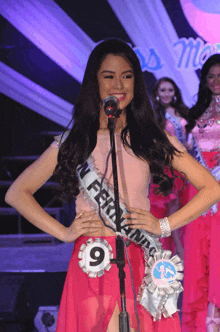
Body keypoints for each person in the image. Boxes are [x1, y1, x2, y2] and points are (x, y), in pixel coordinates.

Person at [5, 39, 220, 332]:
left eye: (127, 76)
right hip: (92, 261)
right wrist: (64, 233)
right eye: (109, 76)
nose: (119, 84)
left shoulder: (151, 138)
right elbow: (17, 193)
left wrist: (164, 226)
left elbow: (212, 188)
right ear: (95, 82)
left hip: (140, 257)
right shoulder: (76, 141)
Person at [182, 54, 220, 332]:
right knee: (199, 261)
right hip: (199, 191)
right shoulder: (196, 112)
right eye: (211, 76)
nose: (216, 81)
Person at [150, 77, 189, 259]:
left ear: (175, 93)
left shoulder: (182, 112)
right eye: (163, 90)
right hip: (166, 168)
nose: (166, 94)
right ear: (157, 93)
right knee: (169, 212)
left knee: (183, 210)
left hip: (185, 166)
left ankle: (181, 252)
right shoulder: (154, 115)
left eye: (170, 90)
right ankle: (176, 252)